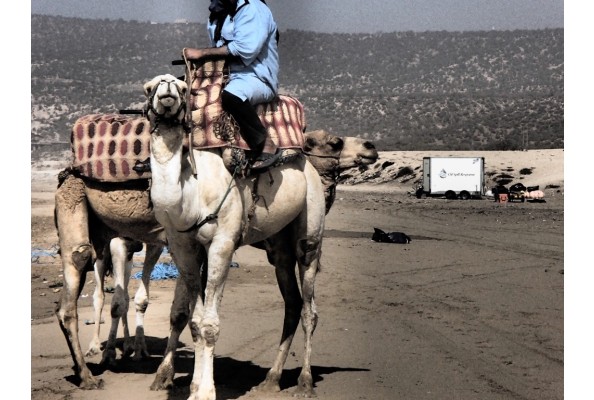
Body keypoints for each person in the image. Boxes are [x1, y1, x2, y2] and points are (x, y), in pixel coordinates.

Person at [183, 0, 281, 170]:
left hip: (255, 77)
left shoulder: (252, 9)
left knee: (231, 96)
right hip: (225, 75)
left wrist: (202, 53)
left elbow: (245, 50)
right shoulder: (218, 12)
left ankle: (265, 143)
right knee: (181, 93)